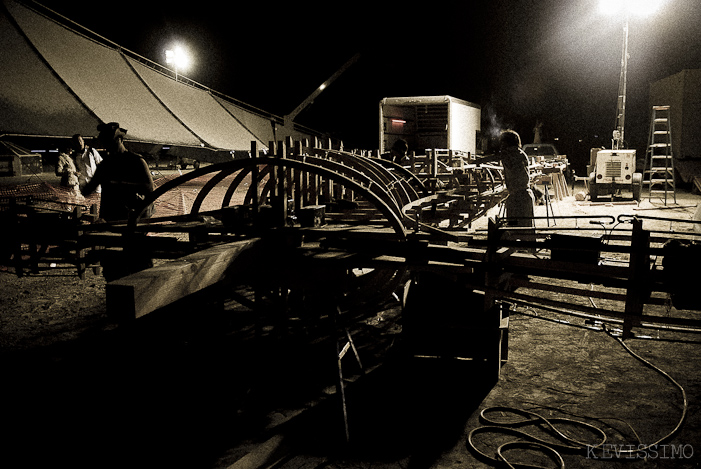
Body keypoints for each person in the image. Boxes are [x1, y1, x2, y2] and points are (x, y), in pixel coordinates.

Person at [82, 122, 155, 281]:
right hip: (111, 224)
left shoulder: (136, 161)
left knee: (140, 269)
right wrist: (81, 184)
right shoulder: (104, 165)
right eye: (106, 143)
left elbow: (150, 188)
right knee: (114, 270)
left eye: (111, 142)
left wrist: (119, 184)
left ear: (120, 140)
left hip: (134, 223)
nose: (108, 146)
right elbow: (88, 190)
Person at [499, 129, 535, 227]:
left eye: (503, 142)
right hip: (522, 196)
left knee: (518, 232)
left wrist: (475, 162)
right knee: (525, 232)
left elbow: (496, 157)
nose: (501, 145)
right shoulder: (519, 153)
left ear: (507, 143)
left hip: (519, 198)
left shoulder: (511, 154)